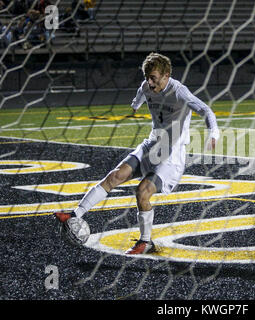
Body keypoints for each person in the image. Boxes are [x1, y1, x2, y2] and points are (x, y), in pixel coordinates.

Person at [55, 52, 220, 255]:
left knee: (142, 192)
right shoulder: (146, 87)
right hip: (151, 145)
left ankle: (145, 242)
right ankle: (74, 215)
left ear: (167, 76)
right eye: (147, 77)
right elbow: (142, 92)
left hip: (171, 155)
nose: (150, 83)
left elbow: (206, 110)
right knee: (115, 176)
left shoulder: (179, 92)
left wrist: (214, 133)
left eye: (154, 78)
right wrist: (136, 103)